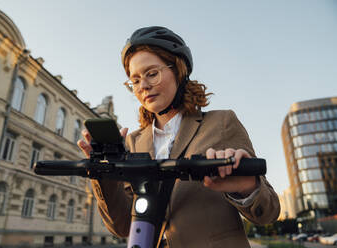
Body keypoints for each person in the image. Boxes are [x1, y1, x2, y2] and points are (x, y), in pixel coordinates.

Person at [78, 26, 280, 248]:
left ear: (179, 71)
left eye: (152, 74)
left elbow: (268, 212)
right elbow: (123, 226)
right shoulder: (133, 142)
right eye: (135, 80)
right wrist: (103, 173)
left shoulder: (221, 123)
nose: (143, 86)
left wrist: (246, 188)